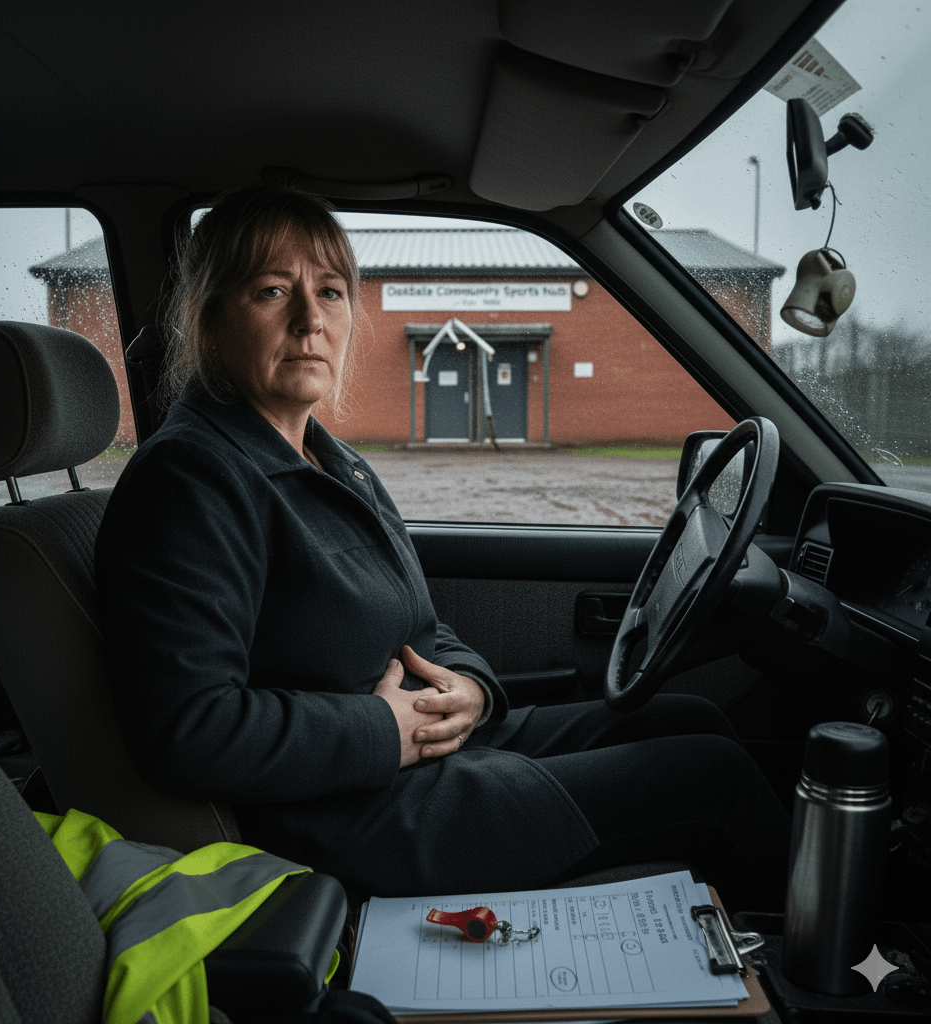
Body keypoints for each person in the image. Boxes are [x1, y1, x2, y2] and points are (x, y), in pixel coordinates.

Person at [95, 184, 790, 909]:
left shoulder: (333, 463)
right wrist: (382, 730)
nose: (311, 319)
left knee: (690, 718)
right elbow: (187, 729)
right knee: (713, 776)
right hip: (359, 814)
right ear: (208, 323)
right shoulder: (190, 479)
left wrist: (472, 692)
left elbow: (421, 629)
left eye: (331, 293)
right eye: (272, 291)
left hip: (422, 757)